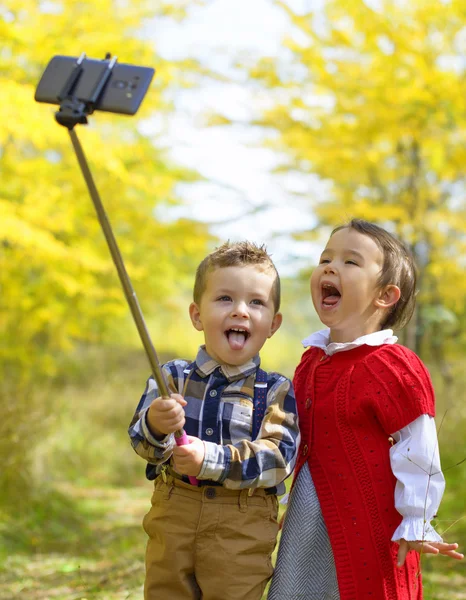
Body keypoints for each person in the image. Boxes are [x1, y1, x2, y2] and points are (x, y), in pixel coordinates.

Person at [268, 219, 463, 600]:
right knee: (300, 585)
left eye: (349, 262)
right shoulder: (311, 360)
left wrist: (416, 519)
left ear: (385, 296)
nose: (329, 266)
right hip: (312, 507)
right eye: (326, 257)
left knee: (364, 587)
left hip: (368, 518)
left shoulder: (393, 365)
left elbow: (418, 447)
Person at [128, 241, 300, 600]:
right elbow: (141, 441)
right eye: (224, 299)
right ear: (196, 315)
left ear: (273, 324)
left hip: (242, 523)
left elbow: (279, 459)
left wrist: (210, 458)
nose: (240, 311)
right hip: (175, 511)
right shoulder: (172, 378)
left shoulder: (275, 389)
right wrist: (157, 425)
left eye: (256, 302)